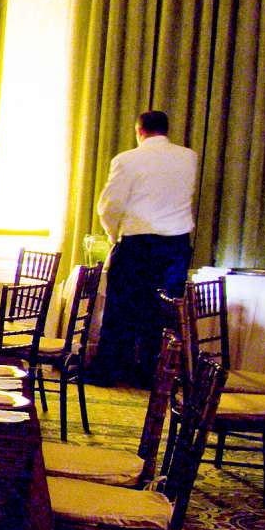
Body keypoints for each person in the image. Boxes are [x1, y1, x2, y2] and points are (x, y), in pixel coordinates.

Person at [90, 109, 199, 386]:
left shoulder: (126, 160)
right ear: (166, 130)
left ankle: (108, 372)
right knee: (162, 314)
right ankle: (152, 374)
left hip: (138, 244)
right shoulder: (189, 157)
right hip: (176, 245)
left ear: (139, 131)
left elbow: (110, 205)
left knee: (120, 309)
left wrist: (114, 235)